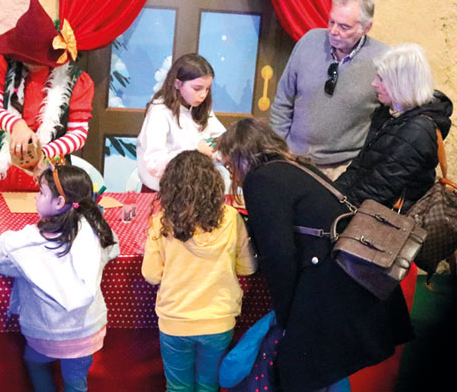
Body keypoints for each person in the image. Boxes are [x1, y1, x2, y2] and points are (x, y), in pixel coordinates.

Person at [216, 119, 413, 392]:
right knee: (330, 370)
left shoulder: (260, 180)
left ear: (242, 156)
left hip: (326, 283)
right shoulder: (298, 167)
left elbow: (279, 254)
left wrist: (286, 317)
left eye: (230, 166)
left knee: (307, 372)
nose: (233, 175)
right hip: (348, 275)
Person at [0, 165, 119, 392]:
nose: (36, 197)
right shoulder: (95, 231)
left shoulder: (30, 242)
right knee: (76, 382)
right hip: (86, 334)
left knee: (34, 362)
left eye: (41, 193)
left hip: (44, 334)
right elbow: (113, 248)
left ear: (59, 202)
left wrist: (11, 236)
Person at [141, 151, 256, 392]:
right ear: (214, 186)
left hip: (175, 320)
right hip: (219, 320)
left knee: (178, 387)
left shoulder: (161, 221)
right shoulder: (231, 217)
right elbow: (247, 268)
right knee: (209, 385)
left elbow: (151, 275)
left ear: (170, 187)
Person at [0, 0, 94, 192]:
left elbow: (79, 133)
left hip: (47, 171)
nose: (33, 63)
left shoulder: (77, 81)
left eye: (38, 59)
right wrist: (16, 125)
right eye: (27, 58)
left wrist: (43, 152)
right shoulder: (2, 64)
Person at [270, 0, 388, 179]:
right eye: (331, 22)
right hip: (293, 158)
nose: (333, 31)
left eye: (344, 27)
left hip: (343, 168)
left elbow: (388, 119)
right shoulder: (309, 42)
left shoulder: (383, 59)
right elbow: (283, 100)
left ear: (366, 28)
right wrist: (278, 149)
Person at [335, 43, 452, 209]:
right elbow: (358, 167)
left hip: (382, 215)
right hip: (363, 202)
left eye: (381, 79)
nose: (374, 84)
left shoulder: (418, 131)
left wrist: (334, 207)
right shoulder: (390, 112)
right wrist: (332, 192)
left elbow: (377, 189)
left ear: (400, 84)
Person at [136, 53, 225, 191]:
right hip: (164, 191)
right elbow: (154, 163)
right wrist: (196, 150)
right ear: (178, 84)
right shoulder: (160, 111)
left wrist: (215, 149)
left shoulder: (201, 109)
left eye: (207, 89)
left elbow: (222, 139)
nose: (203, 95)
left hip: (196, 189)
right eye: (197, 88)